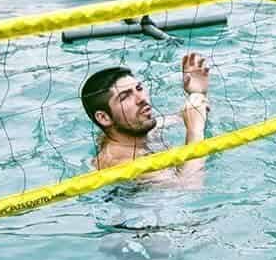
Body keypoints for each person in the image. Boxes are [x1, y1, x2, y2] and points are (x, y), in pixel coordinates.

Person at [81, 53, 211, 188]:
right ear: (104, 118)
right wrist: (194, 132)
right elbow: (189, 189)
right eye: (125, 97)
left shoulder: (127, 132)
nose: (141, 99)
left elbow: (186, 116)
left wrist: (197, 93)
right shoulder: (126, 164)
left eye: (139, 88)